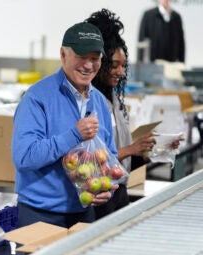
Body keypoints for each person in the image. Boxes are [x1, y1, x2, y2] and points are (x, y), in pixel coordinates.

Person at [12, 22, 119, 228]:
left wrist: (108, 187)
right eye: (81, 57)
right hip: (40, 214)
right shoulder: (37, 98)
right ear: (63, 55)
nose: (88, 65)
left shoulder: (99, 102)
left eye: (94, 59)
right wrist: (74, 134)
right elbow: (24, 157)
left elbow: (109, 156)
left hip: (84, 212)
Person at [87, 9, 182, 219]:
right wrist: (132, 148)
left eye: (123, 66)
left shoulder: (116, 102)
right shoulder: (89, 103)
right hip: (98, 197)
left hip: (119, 193)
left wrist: (154, 148)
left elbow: (125, 158)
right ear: (99, 63)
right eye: (114, 65)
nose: (121, 72)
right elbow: (90, 159)